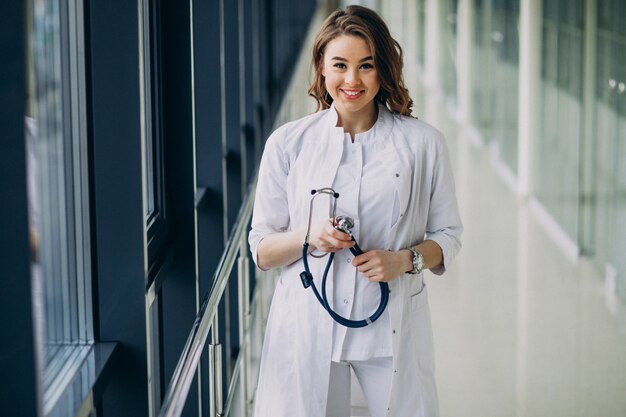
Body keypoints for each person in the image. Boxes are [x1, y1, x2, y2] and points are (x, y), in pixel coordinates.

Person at [248, 5, 462, 417]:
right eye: (340, 65)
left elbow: (449, 236)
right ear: (321, 69)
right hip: (308, 328)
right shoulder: (287, 144)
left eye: (366, 65)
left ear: (383, 69)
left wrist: (405, 260)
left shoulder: (423, 144)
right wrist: (308, 235)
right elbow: (261, 250)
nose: (352, 80)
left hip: (390, 327)